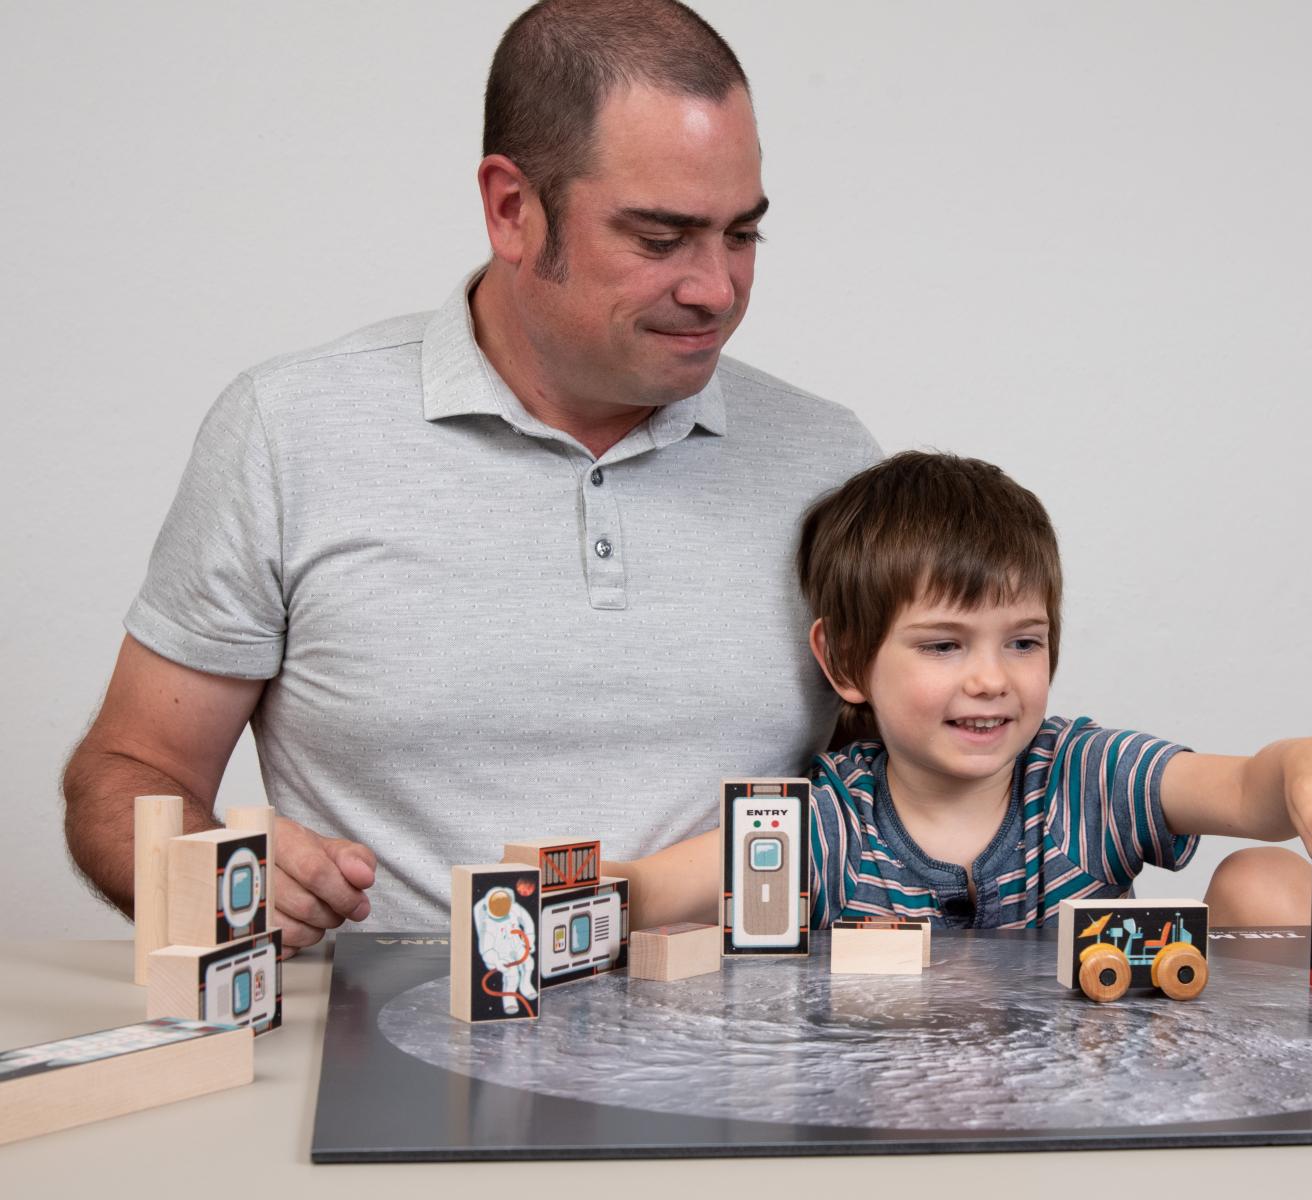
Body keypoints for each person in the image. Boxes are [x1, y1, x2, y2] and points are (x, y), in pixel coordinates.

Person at [61, 0, 879, 951]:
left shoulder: (832, 462)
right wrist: (201, 872)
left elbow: (915, 793)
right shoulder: (288, 431)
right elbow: (129, 767)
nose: (716, 290)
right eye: (660, 240)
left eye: (743, 235)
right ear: (511, 208)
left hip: (739, 1052)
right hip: (388, 1050)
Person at [623, 452, 1312, 927]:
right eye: (943, 645)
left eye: (1023, 642)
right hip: (892, 1134)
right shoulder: (831, 825)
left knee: (1263, 881)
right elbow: (653, 892)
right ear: (847, 662)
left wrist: (1307, 759)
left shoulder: (1086, 777)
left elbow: (1242, 791)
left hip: (1085, 1118)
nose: (991, 679)